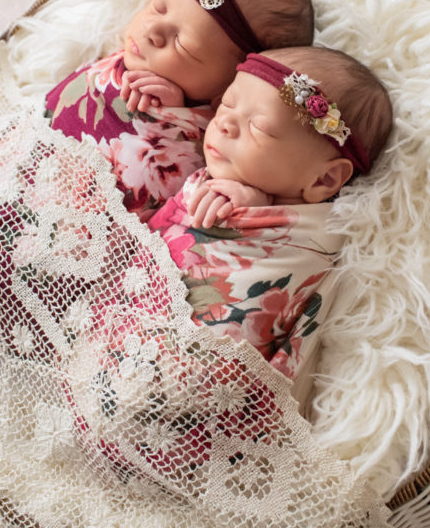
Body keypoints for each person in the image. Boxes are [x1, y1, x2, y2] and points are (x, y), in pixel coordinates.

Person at [146, 46, 394, 378]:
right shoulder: (214, 179)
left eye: (259, 128)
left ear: (324, 179)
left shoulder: (319, 234)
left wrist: (249, 208)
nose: (224, 124)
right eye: (227, 105)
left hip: (190, 371)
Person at [45, 0, 314, 217]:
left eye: (183, 45)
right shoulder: (124, 55)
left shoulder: (223, 140)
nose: (153, 31)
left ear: (228, 88)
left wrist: (178, 115)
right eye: (159, 7)